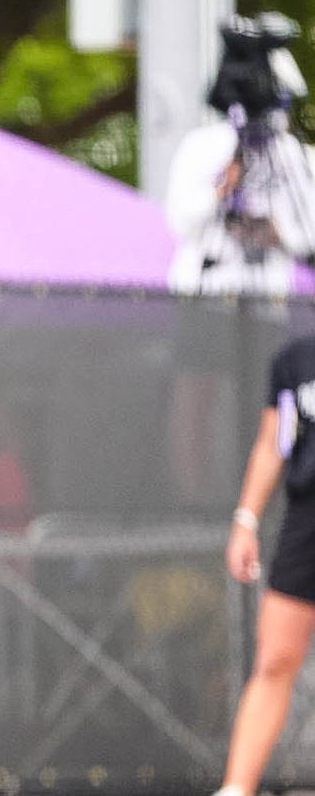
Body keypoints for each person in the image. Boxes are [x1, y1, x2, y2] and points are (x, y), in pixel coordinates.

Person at [215, 330, 315, 796]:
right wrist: (246, 519)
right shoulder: (294, 360)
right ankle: (237, 788)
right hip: (306, 522)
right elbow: (272, 443)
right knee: (275, 658)